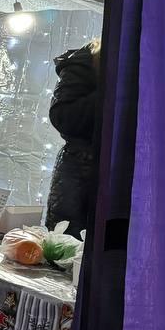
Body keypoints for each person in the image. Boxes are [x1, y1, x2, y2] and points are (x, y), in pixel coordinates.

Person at [46, 39, 100, 239]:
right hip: (80, 176)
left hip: (131, 179)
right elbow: (63, 116)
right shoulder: (86, 59)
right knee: (67, 252)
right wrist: (114, 90)